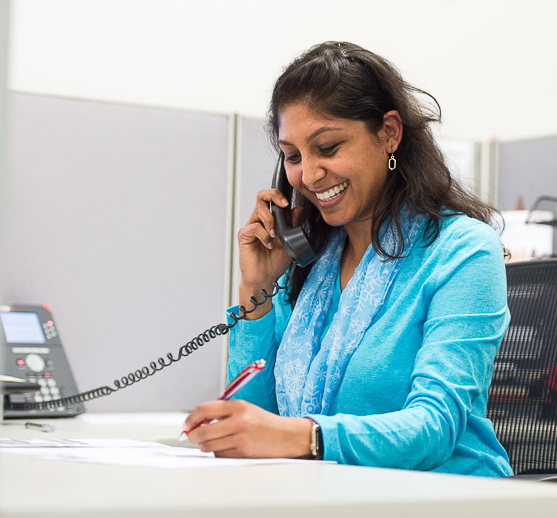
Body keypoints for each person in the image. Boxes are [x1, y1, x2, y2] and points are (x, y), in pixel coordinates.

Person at [183, 41, 513, 477]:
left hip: (448, 498)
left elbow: (435, 428)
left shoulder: (463, 251)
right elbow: (254, 426)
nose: (310, 175)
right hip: (333, 496)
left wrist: (301, 437)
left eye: (329, 147)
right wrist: (256, 292)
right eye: (293, 156)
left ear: (389, 133)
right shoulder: (310, 264)